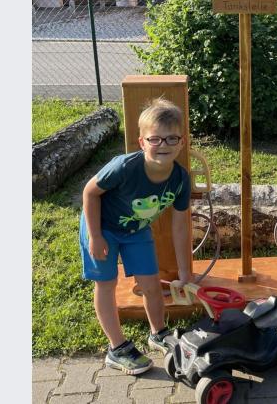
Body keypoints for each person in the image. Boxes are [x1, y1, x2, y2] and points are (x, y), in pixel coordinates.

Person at [80, 98, 192, 375]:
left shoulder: (180, 179)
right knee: (106, 283)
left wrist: (185, 271)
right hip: (102, 227)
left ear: (182, 142)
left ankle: (159, 333)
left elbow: (180, 226)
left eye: (171, 138)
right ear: (142, 142)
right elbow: (90, 193)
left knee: (151, 283)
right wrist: (95, 236)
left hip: (136, 230)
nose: (163, 145)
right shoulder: (124, 166)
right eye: (155, 139)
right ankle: (117, 348)